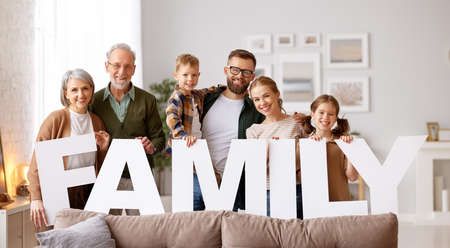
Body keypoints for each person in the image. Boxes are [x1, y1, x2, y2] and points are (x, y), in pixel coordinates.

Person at [28, 69, 110, 228]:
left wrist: (103, 149)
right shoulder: (55, 119)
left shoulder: (97, 121)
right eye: (74, 90)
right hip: (61, 192)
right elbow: (36, 164)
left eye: (85, 88)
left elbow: (99, 165)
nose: (81, 94)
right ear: (66, 93)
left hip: (88, 191)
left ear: (92, 89)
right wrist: (36, 198)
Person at [90, 43, 165, 215]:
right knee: (108, 229)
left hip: (139, 176)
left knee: (141, 231)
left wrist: (151, 146)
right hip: (107, 178)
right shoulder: (94, 102)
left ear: (134, 69)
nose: (122, 72)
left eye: (127, 66)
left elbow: (159, 138)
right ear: (106, 66)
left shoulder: (148, 100)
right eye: (116, 65)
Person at [199, 49, 265, 211]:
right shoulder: (204, 99)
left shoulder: (256, 109)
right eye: (235, 70)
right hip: (199, 177)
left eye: (246, 72)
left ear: (252, 76)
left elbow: (276, 122)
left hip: (234, 185)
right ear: (226, 70)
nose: (240, 76)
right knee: (191, 232)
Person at [165, 54, 220, 210]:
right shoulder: (178, 96)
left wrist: (221, 89)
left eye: (194, 75)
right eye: (185, 75)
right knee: (193, 183)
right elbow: (172, 117)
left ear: (198, 75)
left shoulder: (195, 95)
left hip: (197, 146)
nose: (190, 79)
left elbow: (207, 91)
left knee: (205, 178)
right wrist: (182, 136)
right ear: (176, 76)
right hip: (186, 145)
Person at [246, 76, 306, 218]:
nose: (262, 102)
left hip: (296, 190)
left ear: (277, 94)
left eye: (266, 96)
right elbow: (254, 169)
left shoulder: (296, 122)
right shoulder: (253, 131)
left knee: (298, 237)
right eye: (257, 99)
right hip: (268, 192)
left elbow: (312, 155)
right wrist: (266, 155)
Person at [303, 94, 359, 201]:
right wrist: (311, 147)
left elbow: (352, 177)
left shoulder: (343, 143)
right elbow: (300, 177)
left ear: (336, 118)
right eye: (321, 112)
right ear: (312, 114)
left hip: (340, 201)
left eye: (331, 114)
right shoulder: (305, 143)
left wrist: (350, 150)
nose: (325, 117)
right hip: (314, 204)